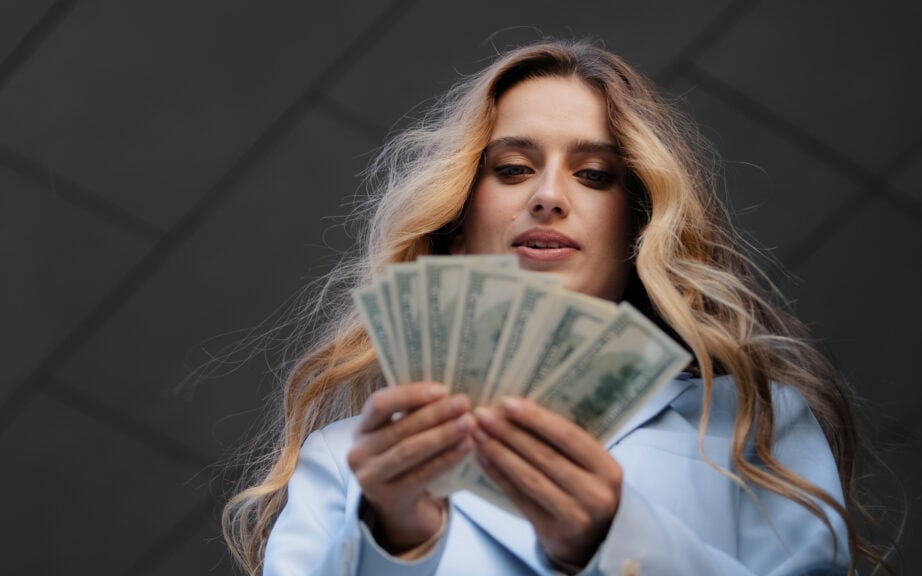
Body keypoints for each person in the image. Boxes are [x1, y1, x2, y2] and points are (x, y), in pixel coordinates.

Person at [222, 39, 887, 575]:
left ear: (638, 226)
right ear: (458, 219)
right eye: (511, 168)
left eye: (595, 174)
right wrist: (396, 546)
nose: (547, 195)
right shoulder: (349, 464)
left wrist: (617, 540)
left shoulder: (749, 430)